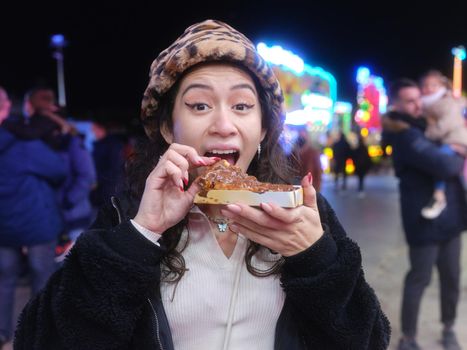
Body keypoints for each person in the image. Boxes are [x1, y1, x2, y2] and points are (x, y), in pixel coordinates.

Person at [14, 20, 390, 350]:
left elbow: (369, 339)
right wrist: (138, 237)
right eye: (199, 105)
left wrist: (317, 258)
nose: (224, 125)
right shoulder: (126, 214)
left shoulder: (305, 215)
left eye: (242, 106)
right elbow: (39, 339)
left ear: (262, 129)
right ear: (167, 127)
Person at [382, 78, 467, 350]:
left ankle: (448, 327)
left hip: (450, 220)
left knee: (451, 278)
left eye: (418, 99)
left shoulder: (424, 126)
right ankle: (408, 337)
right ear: (396, 104)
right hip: (423, 221)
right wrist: (457, 152)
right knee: (419, 278)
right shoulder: (405, 134)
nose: (417, 105)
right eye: (409, 100)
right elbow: (445, 165)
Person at [0, 87, 67, 349]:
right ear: (7, 107)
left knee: (5, 279)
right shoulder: (23, 141)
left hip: (3, 225)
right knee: (42, 278)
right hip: (36, 223)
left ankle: (2, 332)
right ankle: (38, 335)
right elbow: (58, 170)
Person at [6, 87, 97, 262]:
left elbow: (86, 175)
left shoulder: (68, 138)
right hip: (48, 217)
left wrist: (68, 200)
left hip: (72, 217)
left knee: (70, 269)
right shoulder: (37, 137)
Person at [418, 70, 467, 219]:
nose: (429, 88)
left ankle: (439, 196)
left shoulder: (446, 101)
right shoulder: (429, 103)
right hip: (450, 140)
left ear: (442, 85)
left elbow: (448, 123)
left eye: (433, 84)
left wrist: (428, 134)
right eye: (425, 85)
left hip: (457, 141)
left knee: (440, 160)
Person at [352, 133, 372, 197]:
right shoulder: (365, 148)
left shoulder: (357, 149)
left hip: (358, 165)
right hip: (363, 165)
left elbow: (354, 157)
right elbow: (368, 158)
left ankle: (360, 188)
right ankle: (361, 189)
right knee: (361, 177)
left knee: (360, 177)